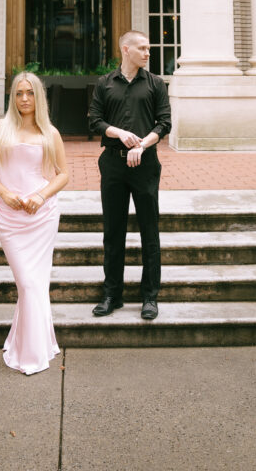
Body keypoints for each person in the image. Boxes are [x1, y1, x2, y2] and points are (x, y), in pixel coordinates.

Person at [0, 71, 68, 374]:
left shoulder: (50, 133)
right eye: (18, 93)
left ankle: (33, 349)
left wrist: (41, 196)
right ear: (12, 96)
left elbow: (63, 174)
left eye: (30, 93)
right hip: (9, 217)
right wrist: (5, 193)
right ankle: (30, 346)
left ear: (38, 97)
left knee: (35, 284)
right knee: (28, 283)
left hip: (41, 217)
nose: (24, 99)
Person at [88, 30, 171, 321]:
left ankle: (150, 297)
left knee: (150, 231)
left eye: (148, 49)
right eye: (143, 48)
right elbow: (94, 120)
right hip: (112, 164)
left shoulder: (156, 84)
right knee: (113, 232)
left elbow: (164, 123)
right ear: (126, 49)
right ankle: (112, 294)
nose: (148, 53)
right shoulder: (104, 84)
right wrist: (120, 133)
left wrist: (142, 144)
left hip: (146, 165)